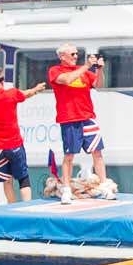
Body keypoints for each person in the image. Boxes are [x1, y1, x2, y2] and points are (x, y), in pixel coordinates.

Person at [0, 40, 48, 203]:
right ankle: (27, 209)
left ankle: (12, 208)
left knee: (6, 181)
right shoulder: (11, 94)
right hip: (13, 144)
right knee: (23, 178)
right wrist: (36, 90)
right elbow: (26, 94)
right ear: (2, 81)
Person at [46, 42, 106, 204]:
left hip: (87, 116)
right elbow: (66, 80)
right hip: (69, 118)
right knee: (69, 156)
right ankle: (66, 189)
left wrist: (99, 69)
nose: (75, 56)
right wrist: (86, 66)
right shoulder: (55, 70)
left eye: (76, 54)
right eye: (72, 54)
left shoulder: (84, 71)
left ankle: (103, 185)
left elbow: (98, 85)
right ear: (62, 56)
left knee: (97, 152)